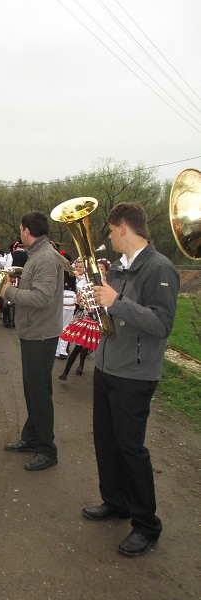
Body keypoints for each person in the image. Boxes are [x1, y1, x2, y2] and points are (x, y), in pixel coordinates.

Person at [82, 202, 179, 558]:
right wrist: (97, 302)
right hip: (108, 367)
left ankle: (146, 525)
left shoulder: (160, 268)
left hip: (135, 375)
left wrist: (116, 300)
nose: (108, 236)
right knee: (106, 441)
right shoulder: (122, 268)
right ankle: (116, 502)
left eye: (110, 229)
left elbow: (161, 324)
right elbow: (117, 313)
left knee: (130, 448)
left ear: (123, 228)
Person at [0, 212, 63, 471]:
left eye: (20, 229)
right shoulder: (39, 254)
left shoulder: (46, 257)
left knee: (38, 392)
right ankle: (32, 437)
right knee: (33, 389)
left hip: (41, 334)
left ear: (27, 230)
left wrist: (8, 292)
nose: (20, 233)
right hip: (34, 332)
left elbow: (41, 298)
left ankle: (47, 450)